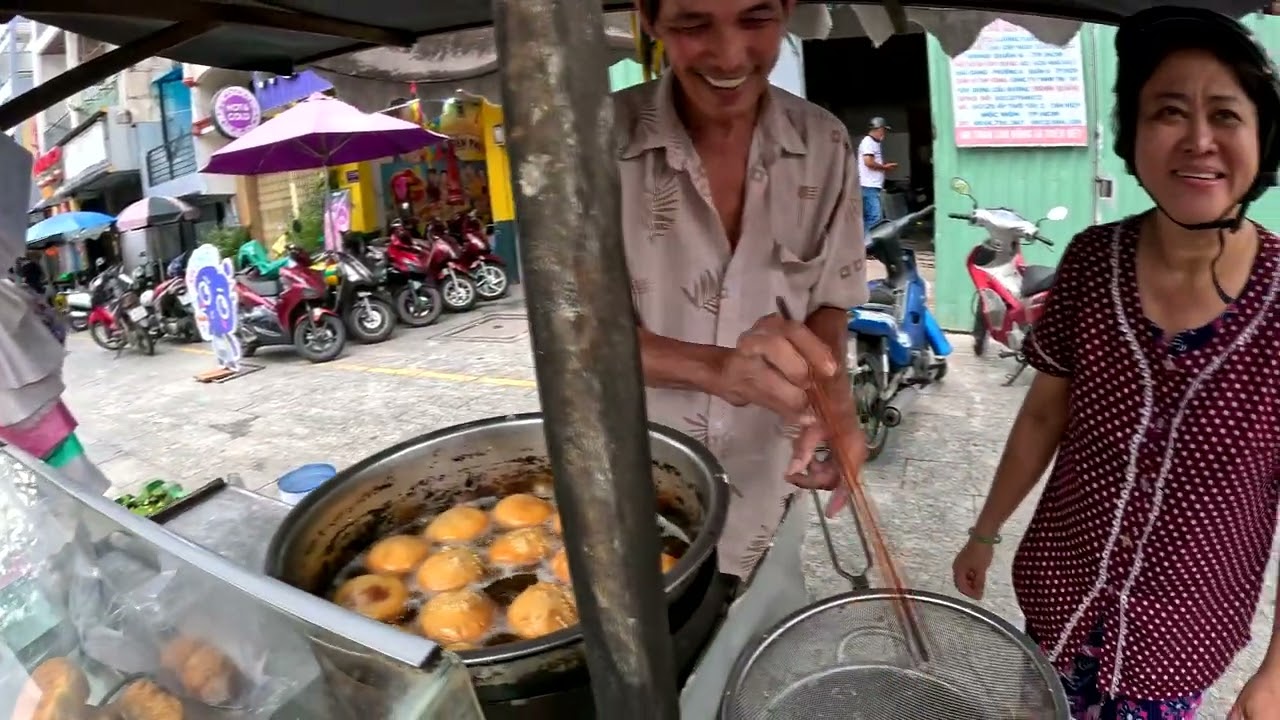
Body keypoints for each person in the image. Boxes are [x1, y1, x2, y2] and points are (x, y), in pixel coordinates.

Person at [951, 8, 1280, 720]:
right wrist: (985, 530)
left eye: (1226, 114)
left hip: (1178, 638)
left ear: (1264, 138)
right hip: (1061, 597)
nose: (1198, 139)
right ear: (1133, 134)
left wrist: (1277, 672)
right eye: (1168, 111)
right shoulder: (1091, 262)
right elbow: (1044, 414)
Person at [620, 1, 867, 711]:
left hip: (767, 483)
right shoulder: (590, 147)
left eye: (756, 18)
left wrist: (834, 401)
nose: (730, 56)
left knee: (745, 680)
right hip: (633, 498)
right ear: (648, 17)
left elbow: (829, 300)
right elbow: (571, 337)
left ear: (787, 8)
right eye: (694, 24)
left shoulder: (824, 142)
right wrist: (717, 369)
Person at [857, 116, 897, 236]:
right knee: (874, 217)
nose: (884, 133)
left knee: (872, 216)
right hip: (868, 186)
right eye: (884, 130)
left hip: (872, 186)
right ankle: (866, 243)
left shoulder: (874, 143)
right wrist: (885, 167)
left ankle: (865, 242)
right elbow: (868, 162)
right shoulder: (868, 142)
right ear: (879, 129)